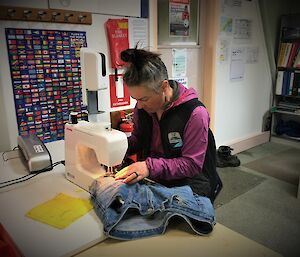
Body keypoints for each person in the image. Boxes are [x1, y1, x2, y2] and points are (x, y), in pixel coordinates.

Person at [115, 47, 222, 203]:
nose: (139, 105)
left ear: (164, 86)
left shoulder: (195, 114)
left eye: (144, 99)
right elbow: (139, 139)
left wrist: (149, 167)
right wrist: (116, 145)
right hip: (157, 179)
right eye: (135, 98)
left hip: (191, 184)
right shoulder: (142, 107)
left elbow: (191, 164)